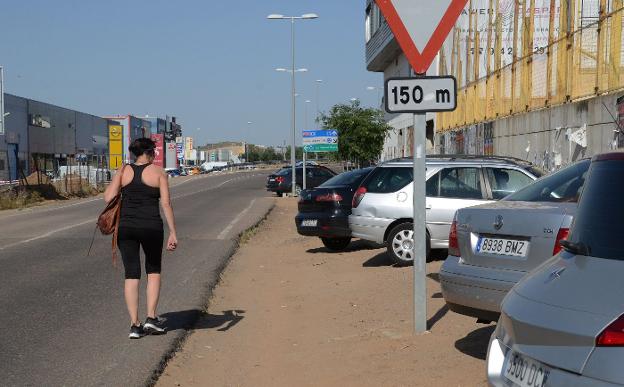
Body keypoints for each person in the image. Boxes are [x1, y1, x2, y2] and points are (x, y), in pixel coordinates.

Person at [104, 138, 178, 339]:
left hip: (126, 228)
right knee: (153, 271)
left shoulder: (125, 170)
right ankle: (151, 318)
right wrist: (173, 232)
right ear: (150, 152)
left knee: (132, 274)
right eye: (154, 150)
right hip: (151, 227)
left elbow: (108, 197)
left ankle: (135, 325)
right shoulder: (159, 172)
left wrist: (119, 175)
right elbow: (166, 204)